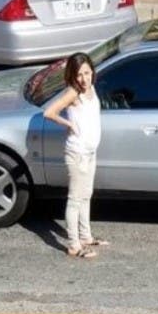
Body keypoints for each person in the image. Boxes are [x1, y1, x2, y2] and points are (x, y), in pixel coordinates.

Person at [44, 53, 109, 259]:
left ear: (92, 71)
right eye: (79, 74)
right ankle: (74, 245)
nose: (84, 78)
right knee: (74, 199)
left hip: (90, 151)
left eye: (87, 73)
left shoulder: (91, 89)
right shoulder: (73, 93)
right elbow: (49, 112)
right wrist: (69, 124)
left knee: (86, 195)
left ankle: (86, 236)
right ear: (72, 75)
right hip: (77, 153)